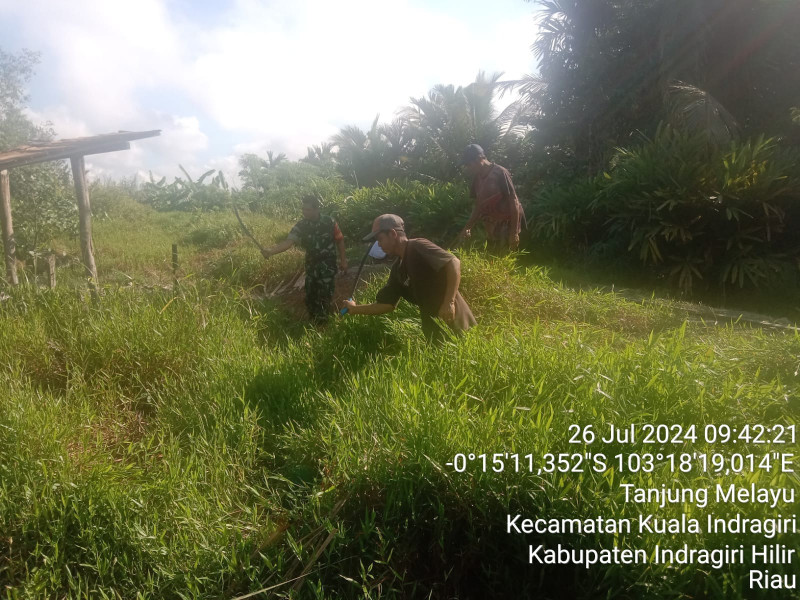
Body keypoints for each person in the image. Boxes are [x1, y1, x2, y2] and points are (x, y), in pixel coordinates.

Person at [343, 214, 476, 343]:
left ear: (393, 234)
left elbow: (453, 262)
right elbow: (386, 305)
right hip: (435, 333)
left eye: (380, 239)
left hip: (457, 323)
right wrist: (354, 309)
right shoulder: (397, 269)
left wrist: (449, 303)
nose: (379, 245)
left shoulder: (417, 246)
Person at [261, 194, 347, 323]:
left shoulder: (330, 222)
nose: (304, 212)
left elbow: (340, 240)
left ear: (317, 209)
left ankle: (324, 324)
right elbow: (288, 242)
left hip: (327, 266)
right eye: (303, 209)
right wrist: (271, 251)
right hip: (311, 266)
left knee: (325, 295)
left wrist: (343, 260)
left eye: (308, 209)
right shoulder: (301, 225)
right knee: (311, 296)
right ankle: (314, 323)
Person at [457, 143, 525, 250]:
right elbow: (478, 205)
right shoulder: (477, 178)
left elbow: (514, 201)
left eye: (469, 164)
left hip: (508, 225)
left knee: (508, 260)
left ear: (479, 158)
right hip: (492, 226)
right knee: (493, 258)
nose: (468, 168)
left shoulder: (500, 173)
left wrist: (514, 233)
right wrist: (467, 227)